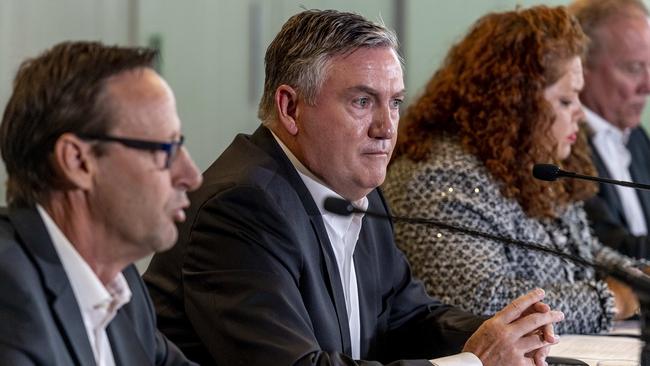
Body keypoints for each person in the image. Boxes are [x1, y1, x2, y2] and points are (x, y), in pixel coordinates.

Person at [144, 9, 563, 366]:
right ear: (290, 108)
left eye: (394, 102)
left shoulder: (356, 190)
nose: (386, 128)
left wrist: (500, 335)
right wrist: (475, 361)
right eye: (362, 102)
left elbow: (404, 318)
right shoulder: (240, 207)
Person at [383, 5, 643, 335]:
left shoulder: (532, 164)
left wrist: (639, 279)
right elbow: (480, 300)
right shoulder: (436, 177)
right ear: (515, 102)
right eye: (566, 101)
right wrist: (611, 301)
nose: (580, 113)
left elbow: (584, 253)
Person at [0, 41, 202, 365]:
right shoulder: (10, 293)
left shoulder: (120, 285)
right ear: (78, 161)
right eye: (166, 150)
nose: (191, 176)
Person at [568, 0, 650, 260]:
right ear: (582, 67)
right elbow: (606, 253)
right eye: (634, 68)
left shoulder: (636, 137)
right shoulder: (562, 145)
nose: (647, 85)